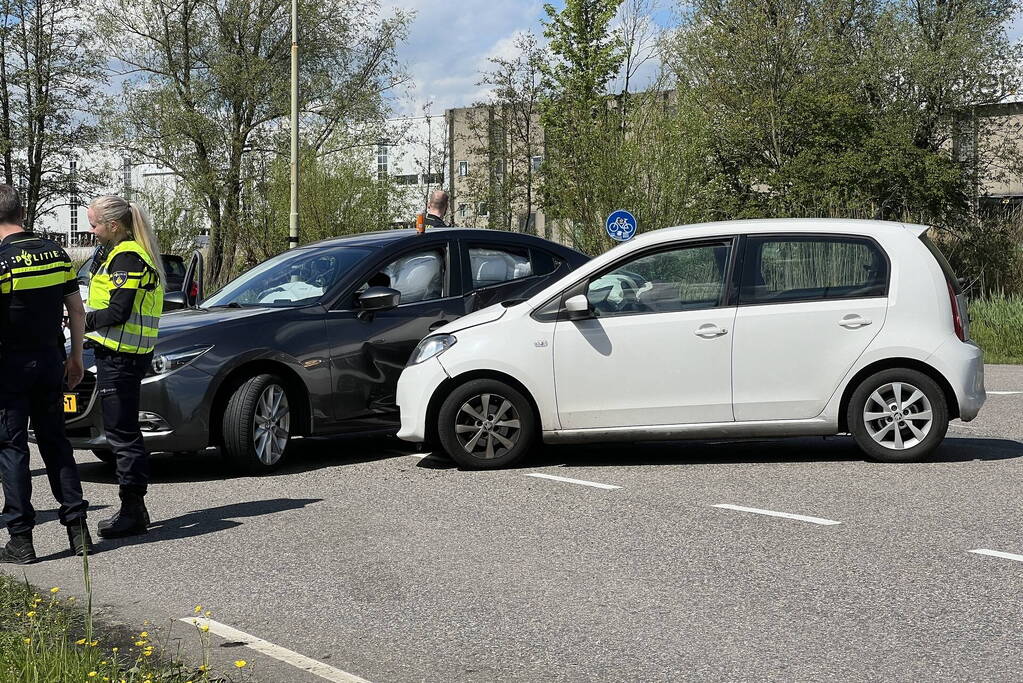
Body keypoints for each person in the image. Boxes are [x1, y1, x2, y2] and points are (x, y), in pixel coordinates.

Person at [0, 184, 91, 563]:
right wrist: (76, 358)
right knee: (55, 442)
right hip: (52, 359)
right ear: (21, 213)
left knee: (12, 448)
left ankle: (21, 539)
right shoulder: (56, 252)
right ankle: (78, 531)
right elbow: (77, 310)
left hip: (9, 366)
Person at [85, 195, 165, 539]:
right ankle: (136, 507)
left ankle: (132, 510)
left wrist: (79, 321)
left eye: (94, 224)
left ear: (113, 225)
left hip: (122, 356)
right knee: (122, 430)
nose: (91, 231)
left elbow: (119, 312)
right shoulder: (118, 254)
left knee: (122, 433)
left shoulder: (127, 257)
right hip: (119, 354)